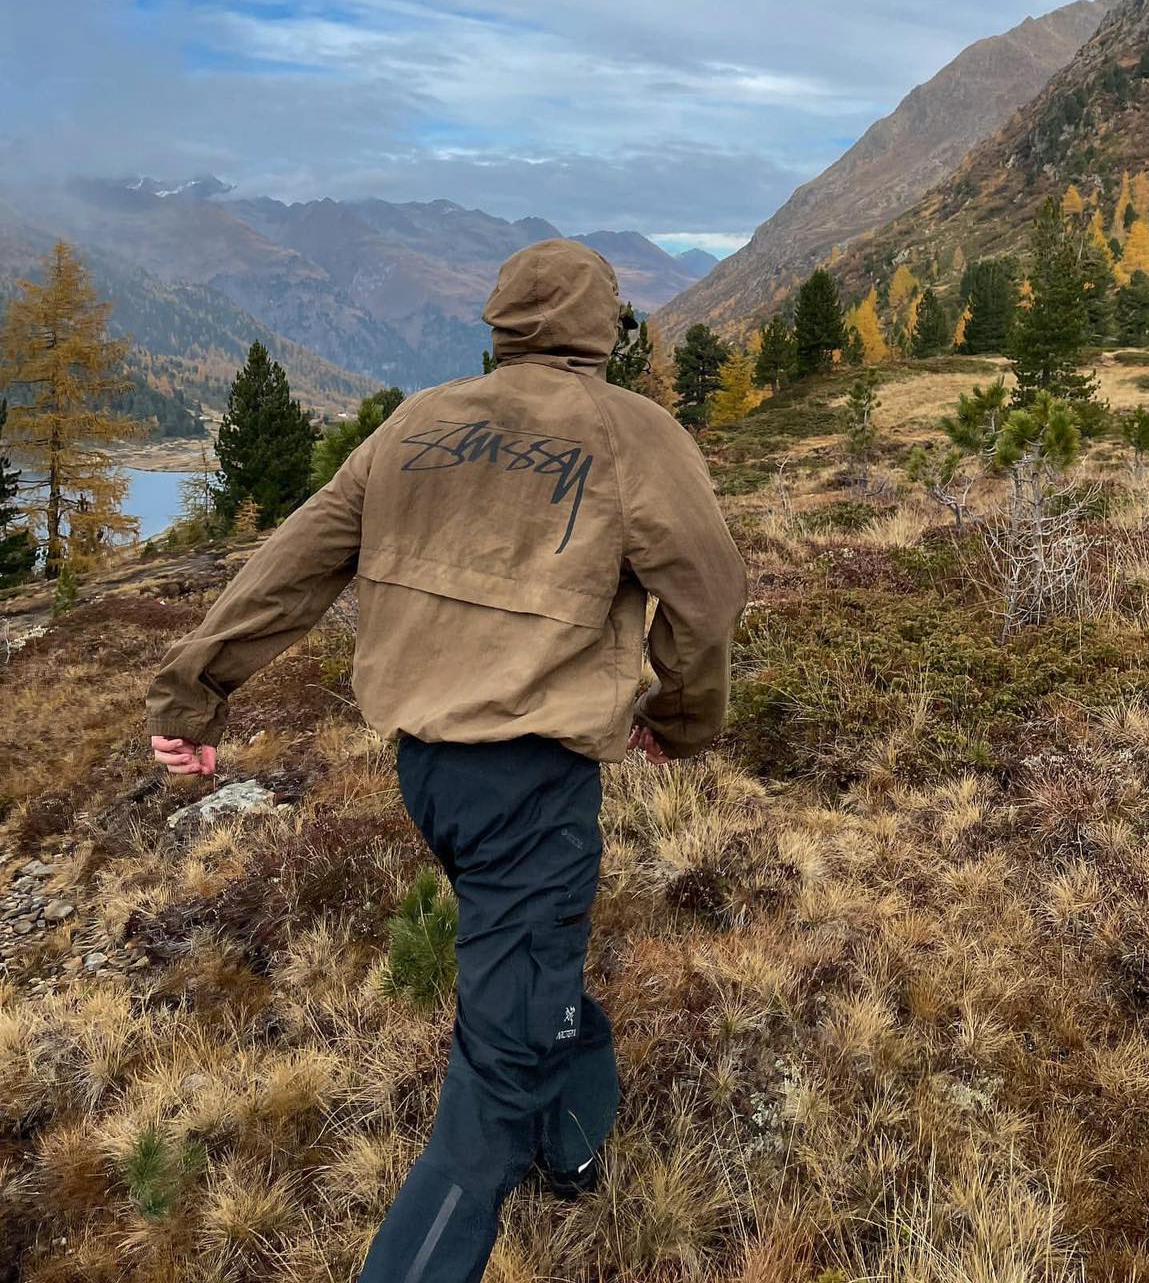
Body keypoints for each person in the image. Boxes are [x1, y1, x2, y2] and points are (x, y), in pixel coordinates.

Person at [146, 237, 747, 1283]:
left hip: (428, 774)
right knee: (485, 1107)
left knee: (530, 967)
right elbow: (709, 594)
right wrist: (682, 719)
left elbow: (293, 562)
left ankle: (571, 1158)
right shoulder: (628, 432)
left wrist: (196, 692)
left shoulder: (414, 424)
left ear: (502, 321)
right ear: (604, 328)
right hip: (531, 787)